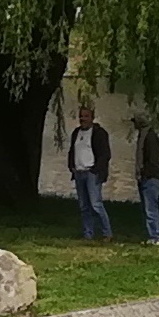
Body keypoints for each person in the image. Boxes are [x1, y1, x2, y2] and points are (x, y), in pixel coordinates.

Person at [64, 100, 112, 239]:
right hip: (78, 173)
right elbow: (72, 151)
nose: (82, 119)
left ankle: (107, 233)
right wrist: (71, 166)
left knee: (96, 204)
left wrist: (96, 170)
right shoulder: (76, 133)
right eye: (81, 116)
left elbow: (105, 154)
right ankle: (88, 233)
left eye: (86, 116)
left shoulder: (99, 133)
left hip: (92, 173)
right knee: (83, 206)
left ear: (92, 118)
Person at [133, 114, 159, 243]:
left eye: (135, 122)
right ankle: (157, 232)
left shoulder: (150, 137)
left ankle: (155, 236)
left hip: (150, 177)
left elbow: (154, 160)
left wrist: (145, 173)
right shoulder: (143, 135)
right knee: (147, 207)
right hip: (144, 177)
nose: (134, 125)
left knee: (150, 208)